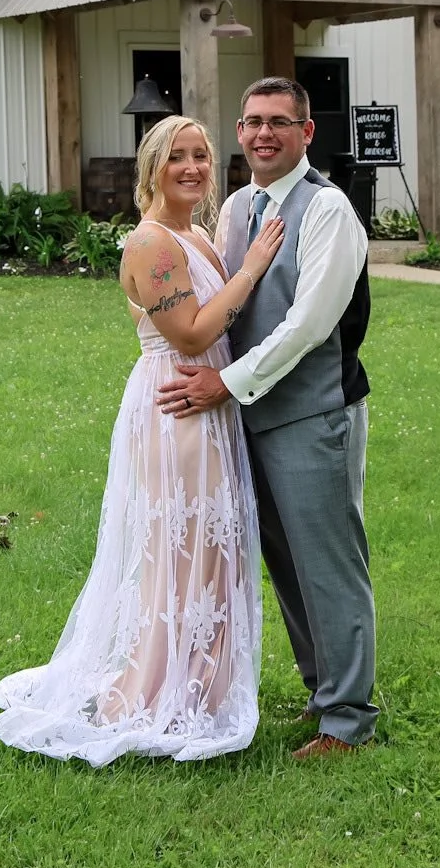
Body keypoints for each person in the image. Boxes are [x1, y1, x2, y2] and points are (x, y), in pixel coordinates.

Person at [0, 115, 286, 765]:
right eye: (176, 156)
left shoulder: (196, 232)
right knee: (183, 550)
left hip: (210, 404)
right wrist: (255, 264)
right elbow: (192, 333)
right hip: (175, 405)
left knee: (214, 546)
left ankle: (204, 682)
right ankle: (161, 687)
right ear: (151, 167)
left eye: (201, 155)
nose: (192, 167)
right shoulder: (149, 244)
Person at [155, 77, 377, 761]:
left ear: (306, 133)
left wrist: (225, 381)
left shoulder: (328, 209)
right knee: (285, 562)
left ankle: (348, 719)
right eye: (252, 121)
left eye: (280, 122)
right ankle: (323, 688)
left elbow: (309, 322)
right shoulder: (238, 208)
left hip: (312, 412)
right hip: (247, 416)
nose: (262, 134)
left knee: (329, 563)